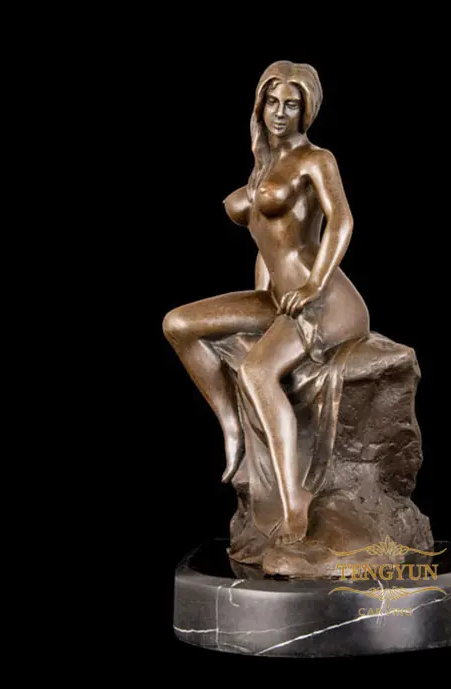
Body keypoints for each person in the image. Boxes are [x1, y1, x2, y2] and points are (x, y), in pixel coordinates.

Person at [163, 61, 369, 545]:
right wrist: (267, 295)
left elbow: (341, 221)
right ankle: (231, 426)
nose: (280, 113)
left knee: (258, 371)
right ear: (260, 106)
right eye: (272, 102)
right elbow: (268, 241)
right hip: (280, 297)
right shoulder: (261, 167)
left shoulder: (316, 160)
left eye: (291, 105)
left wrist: (314, 284)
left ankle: (294, 499)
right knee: (178, 323)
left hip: (325, 300)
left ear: (306, 111)